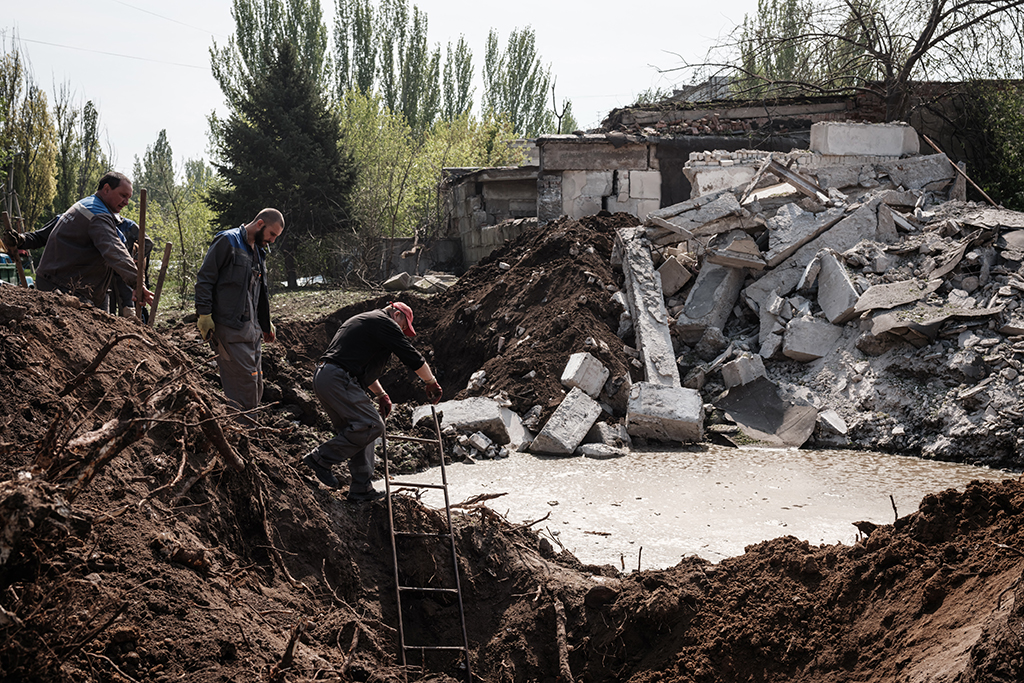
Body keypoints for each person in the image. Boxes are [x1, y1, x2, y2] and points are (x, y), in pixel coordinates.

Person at [302, 302, 443, 502]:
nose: (402, 331)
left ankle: (361, 488)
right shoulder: (384, 322)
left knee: (360, 431)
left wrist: (381, 394)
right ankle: (320, 458)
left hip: (326, 377)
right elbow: (411, 356)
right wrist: (430, 382)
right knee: (373, 424)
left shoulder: (366, 322)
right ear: (397, 314)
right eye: (403, 326)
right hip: (339, 378)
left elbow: (358, 364)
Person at [194, 208, 284, 416]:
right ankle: (240, 434)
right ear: (260, 224)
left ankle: (248, 434)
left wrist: (265, 321)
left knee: (255, 384)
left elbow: (261, 290)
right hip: (230, 328)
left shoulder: (258, 251)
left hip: (251, 331)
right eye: (272, 234)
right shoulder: (228, 241)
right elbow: (205, 279)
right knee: (241, 387)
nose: (272, 240)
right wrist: (204, 314)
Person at [33, 172, 154, 309]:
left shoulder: (86, 204)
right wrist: (138, 284)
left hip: (61, 282)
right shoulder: (98, 215)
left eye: (129, 197)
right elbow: (114, 250)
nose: (126, 202)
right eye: (123, 195)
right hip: (63, 287)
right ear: (107, 189)